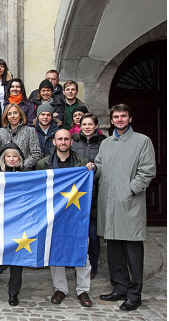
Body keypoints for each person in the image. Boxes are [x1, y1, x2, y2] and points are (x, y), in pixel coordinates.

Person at [93, 104, 156, 311]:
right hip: (109, 204)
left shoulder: (142, 141)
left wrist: (130, 190)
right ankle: (120, 287)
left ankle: (134, 294)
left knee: (133, 251)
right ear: (111, 120)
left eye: (123, 116)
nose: (119, 120)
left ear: (130, 118)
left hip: (129, 204)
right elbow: (100, 166)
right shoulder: (107, 143)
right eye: (116, 117)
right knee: (114, 250)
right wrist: (92, 168)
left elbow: (147, 171)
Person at [36, 129, 92, 308]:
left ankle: (83, 290)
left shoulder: (82, 164)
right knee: (56, 251)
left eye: (66, 139)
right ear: (53, 141)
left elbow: (91, 184)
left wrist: (92, 170)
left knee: (82, 250)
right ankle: (60, 288)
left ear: (71, 142)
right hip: (54, 215)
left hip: (76, 216)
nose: (63, 142)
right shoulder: (43, 164)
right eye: (59, 139)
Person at [0, 142, 26, 306]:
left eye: (15, 156)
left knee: (18, 257)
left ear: (20, 159)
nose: (11, 159)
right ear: (3, 159)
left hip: (21, 221)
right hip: (2, 221)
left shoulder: (28, 175)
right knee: (5, 252)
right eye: (8, 156)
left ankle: (13, 292)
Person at [71, 113, 106, 279]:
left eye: (90, 124)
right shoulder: (73, 142)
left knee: (93, 234)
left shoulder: (104, 144)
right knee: (76, 232)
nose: (87, 127)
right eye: (84, 124)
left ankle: (92, 266)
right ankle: (75, 262)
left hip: (95, 195)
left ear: (96, 126)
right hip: (75, 195)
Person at [0, 103, 42, 170]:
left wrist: (21, 166)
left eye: (15, 113)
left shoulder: (30, 131)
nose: (12, 116)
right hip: (6, 172)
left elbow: (36, 154)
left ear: (20, 115)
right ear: (6, 117)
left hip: (25, 172)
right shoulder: (0, 132)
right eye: (9, 114)